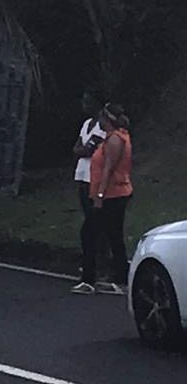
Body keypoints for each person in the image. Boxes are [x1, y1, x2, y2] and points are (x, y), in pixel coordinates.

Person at [71, 103, 132, 295]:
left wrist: (99, 195)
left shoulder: (114, 140)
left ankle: (89, 278)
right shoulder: (114, 138)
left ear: (108, 120)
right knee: (113, 234)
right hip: (114, 193)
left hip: (111, 195)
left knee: (89, 233)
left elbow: (108, 170)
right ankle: (120, 278)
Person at [73, 90, 106, 254]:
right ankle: (92, 253)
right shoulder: (87, 124)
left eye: (87, 101)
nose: (84, 105)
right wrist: (83, 149)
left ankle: (100, 253)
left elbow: (89, 150)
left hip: (95, 177)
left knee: (95, 219)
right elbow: (78, 148)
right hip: (82, 176)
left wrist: (83, 150)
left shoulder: (103, 126)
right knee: (87, 215)